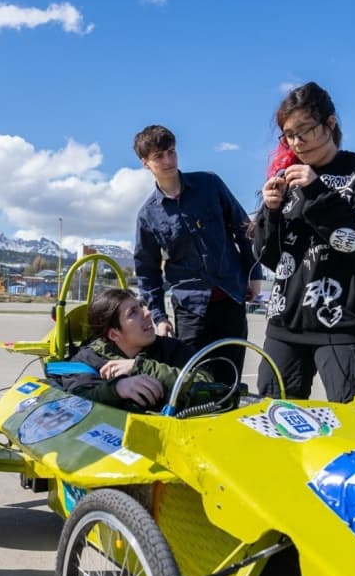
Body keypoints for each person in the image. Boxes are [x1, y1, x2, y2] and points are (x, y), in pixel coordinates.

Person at [251, 82, 355, 413]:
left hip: (344, 326)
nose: (297, 142)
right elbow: (269, 257)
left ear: (330, 124)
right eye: (289, 135)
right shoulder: (287, 178)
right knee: (274, 423)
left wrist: (317, 192)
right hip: (285, 324)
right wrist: (269, 213)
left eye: (306, 131)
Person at [133, 125, 261, 386]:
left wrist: (254, 275)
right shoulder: (148, 215)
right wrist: (159, 317)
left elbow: (243, 228)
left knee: (230, 380)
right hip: (190, 310)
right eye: (159, 156)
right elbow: (147, 272)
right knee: (195, 383)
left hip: (231, 298)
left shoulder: (209, 184)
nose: (168, 161)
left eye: (171, 152)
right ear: (145, 163)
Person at [62, 288, 212, 411]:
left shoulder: (172, 348)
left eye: (141, 306)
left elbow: (209, 387)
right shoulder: (86, 362)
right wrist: (116, 389)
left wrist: (140, 367)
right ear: (114, 334)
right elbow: (75, 402)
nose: (147, 313)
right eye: (133, 312)